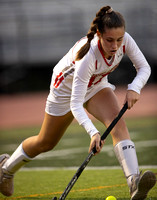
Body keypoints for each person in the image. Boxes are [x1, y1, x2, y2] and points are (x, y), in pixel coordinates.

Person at [0, 5, 156, 200]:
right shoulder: (87, 57)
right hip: (65, 91)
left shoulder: (125, 41)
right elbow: (75, 104)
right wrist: (93, 133)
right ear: (99, 34)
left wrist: (135, 87)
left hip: (96, 85)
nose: (115, 46)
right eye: (109, 40)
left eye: (119, 40)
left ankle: (134, 181)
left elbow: (144, 67)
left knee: (118, 123)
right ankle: (5, 170)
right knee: (45, 142)